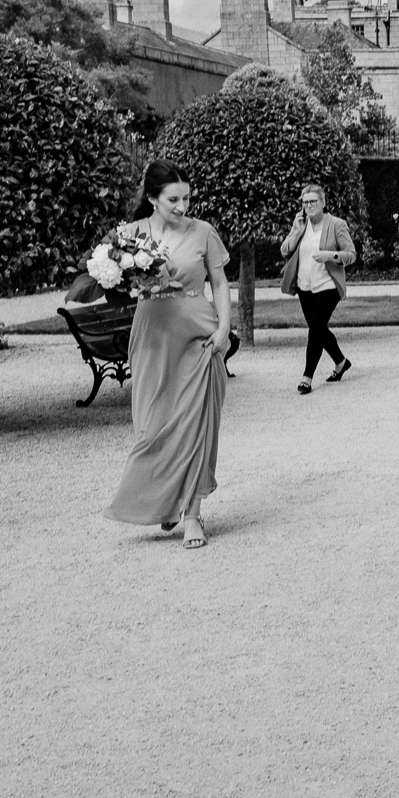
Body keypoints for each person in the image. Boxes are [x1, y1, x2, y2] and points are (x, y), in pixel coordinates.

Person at [105, 160, 234, 548]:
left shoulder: (204, 232)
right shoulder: (130, 235)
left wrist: (225, 328)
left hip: (198, 334)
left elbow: (221, 280)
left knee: (195, 424)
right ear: (152, 199)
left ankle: (192, 515)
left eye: (187, 198)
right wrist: (126, 279)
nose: (182, 206)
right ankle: (164, 500)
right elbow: (114, 286)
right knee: (153, 425)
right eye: (173, 199)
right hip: (152, 337)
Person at [278, 182, 357, 393]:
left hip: (328, 285)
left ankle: (307, 377)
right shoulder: (301, 225)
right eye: (305, 202)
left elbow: (351, 254)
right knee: (319, 328)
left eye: (313, 201)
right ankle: (341, 362)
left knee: (315, 328)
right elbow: (285, 251)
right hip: (305, 287)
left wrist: (330, 255)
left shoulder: (336, 224)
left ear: (323, 202)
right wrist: (295, 231)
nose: (309, 206)